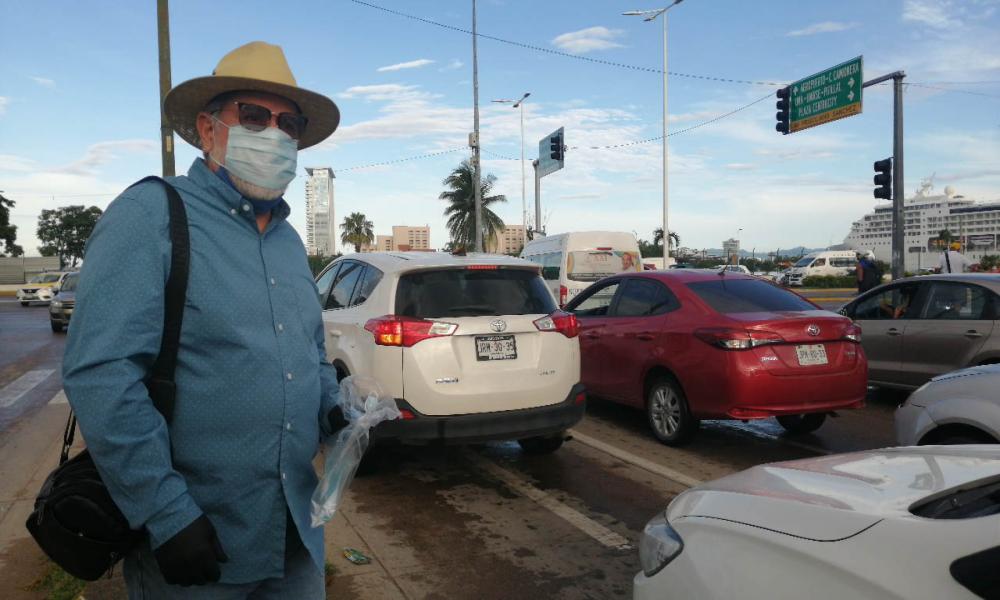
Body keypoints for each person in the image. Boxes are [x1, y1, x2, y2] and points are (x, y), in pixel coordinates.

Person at [62, 42, 346, 598]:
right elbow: (101, 374)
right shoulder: (152, 214)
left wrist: (334, 407)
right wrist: (165, 511)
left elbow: (308, 351)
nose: (274, 133)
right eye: (255, 116)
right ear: (208, 127)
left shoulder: (290, 243)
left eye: (288, 123)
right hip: (196, 543)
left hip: (295, 533)